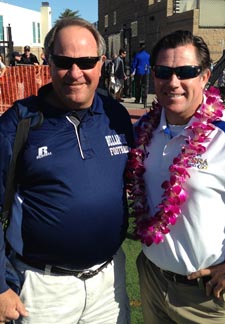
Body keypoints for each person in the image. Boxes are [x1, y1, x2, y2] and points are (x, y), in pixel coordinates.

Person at [0, 17, 133, 324]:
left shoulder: (116, 115)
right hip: (43, 291)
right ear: (48, 62)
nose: (75, 73)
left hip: (108, 283)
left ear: (101, 63)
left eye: (86, 61)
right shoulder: (19, 122)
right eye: (64, 61)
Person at [127, 30, 225, 323]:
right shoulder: (143, 131)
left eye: (185, 72)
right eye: (164, 72)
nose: (173, 82)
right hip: (153, 283)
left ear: (205, 76)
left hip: (209, 297)